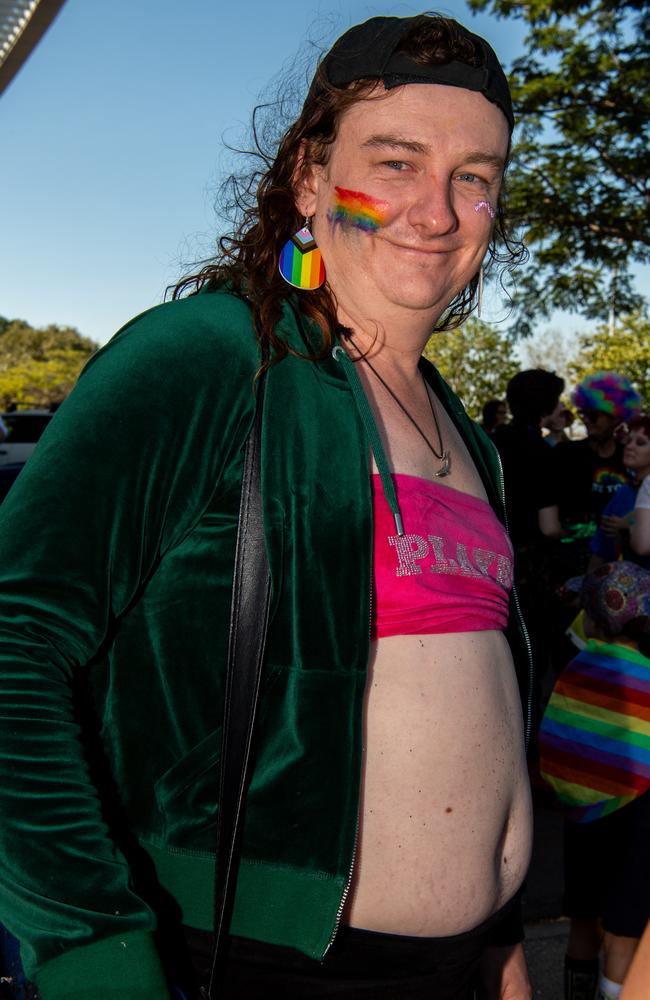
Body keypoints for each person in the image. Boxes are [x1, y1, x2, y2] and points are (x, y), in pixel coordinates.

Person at [0, 15, 534, 1000]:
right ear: (307, 179)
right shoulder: (209, 357)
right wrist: (91, 951)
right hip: (246, 962)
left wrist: (499, 941)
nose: (437, 208)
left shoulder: (463, 429)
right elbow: (14, 638)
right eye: (397, 161)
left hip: (460, 968)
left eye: (475, 176)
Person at [538, 562, 650, 1000]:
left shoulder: (575, 671)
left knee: (584, 922)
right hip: (638, 820)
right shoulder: (645, 673)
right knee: (623, 933)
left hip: (581, 818)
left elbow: (557, 741)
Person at [555, 372, 642, 578]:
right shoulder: (566, 454)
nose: (587, 421)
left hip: (622, 561)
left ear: (615, 417)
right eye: (584, 414)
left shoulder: (630, 458)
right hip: (572, 559)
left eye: (593, 415)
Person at [589, 414, 650, 571]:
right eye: (628, 440)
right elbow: (601, 550)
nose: (630, 446)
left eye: (641, 443)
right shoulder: (623, 492)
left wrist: (628, 525)